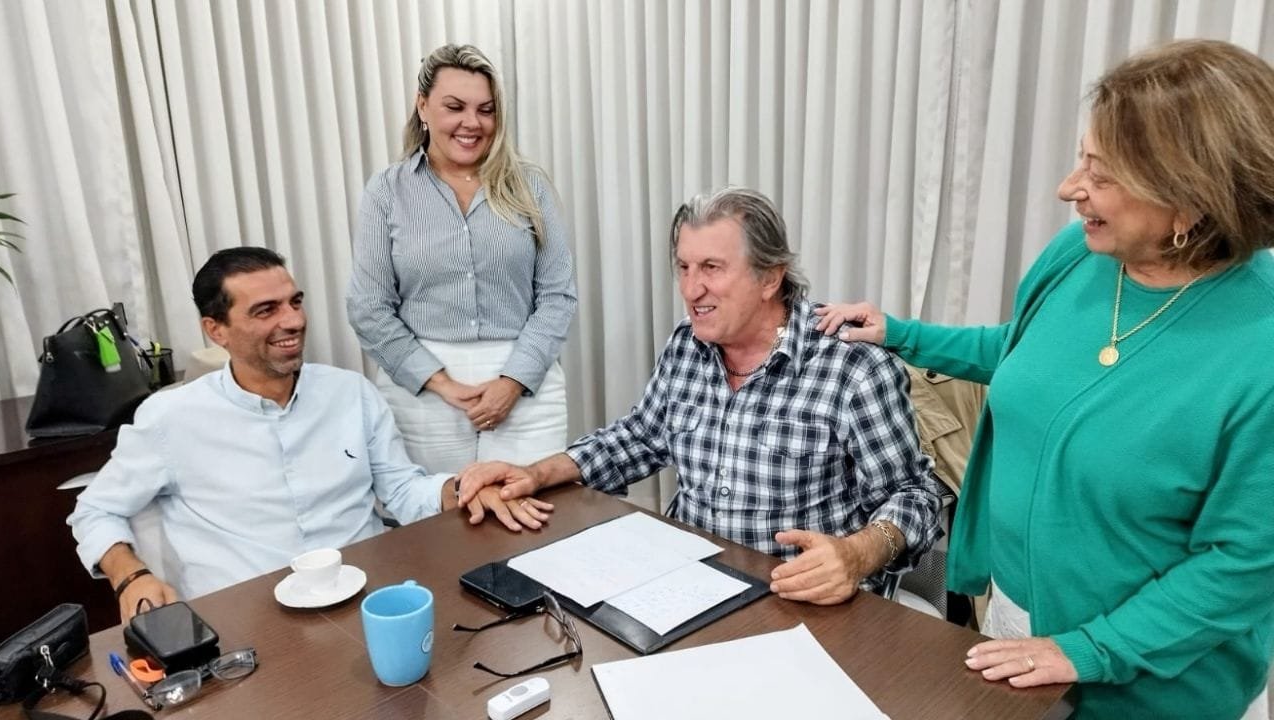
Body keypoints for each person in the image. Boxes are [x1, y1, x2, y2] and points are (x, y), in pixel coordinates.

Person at [816, 40, 1274, 719]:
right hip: (1016, 620)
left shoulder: (1258, 349)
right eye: (1082, 158)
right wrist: (903, 333)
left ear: (1188, 202)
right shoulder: (1081, 253)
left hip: (1151, 680)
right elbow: (1024, 352)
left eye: (1101, 173)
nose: (1070, 187)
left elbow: (1244, 565)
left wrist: (1088, 649)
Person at [457, 187, 943, 605]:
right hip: (689, 583)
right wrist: (535, 473)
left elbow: (914, 495)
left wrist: (857, 554)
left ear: (770, 277)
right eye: (684, 267)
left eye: (712, 267)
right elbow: (640, 438)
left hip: (798, 597)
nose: (692, 289)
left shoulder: (853, 367)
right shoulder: (686, 344)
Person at [69, 247, 551, 621]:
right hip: (246, 618)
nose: (293, 321)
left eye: (294, 302)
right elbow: (96, 510)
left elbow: (402, 489)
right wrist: (130, 577)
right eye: (266, 310)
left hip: (368, 597)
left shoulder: (349, 392)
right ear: (216, 330)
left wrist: (463, 488)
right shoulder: (170, 418)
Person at [347, 44, 577, 474]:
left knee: (530, 509)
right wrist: (441, 383)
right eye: (455, 107)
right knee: (438, 514)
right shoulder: (387, 191)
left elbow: (557, 296)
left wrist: (512, 382)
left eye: (486, 110)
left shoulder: (530, 186)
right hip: (422, 391)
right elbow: (368, 307)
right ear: (423, 106)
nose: (472, 123)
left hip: (525, 384)